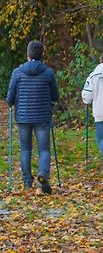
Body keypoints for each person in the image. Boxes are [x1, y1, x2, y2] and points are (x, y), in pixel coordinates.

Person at [7, 41, 59, 194]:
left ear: (28, 54)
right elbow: (55, 96)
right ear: (42, 54)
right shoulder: (48, 72)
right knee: (44, 149)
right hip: (42, 116)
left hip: (23, 117)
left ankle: (27, 181)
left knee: (25, 149)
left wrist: (12, 102)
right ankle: (43, 173)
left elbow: (10, 98)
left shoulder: (17, 72)